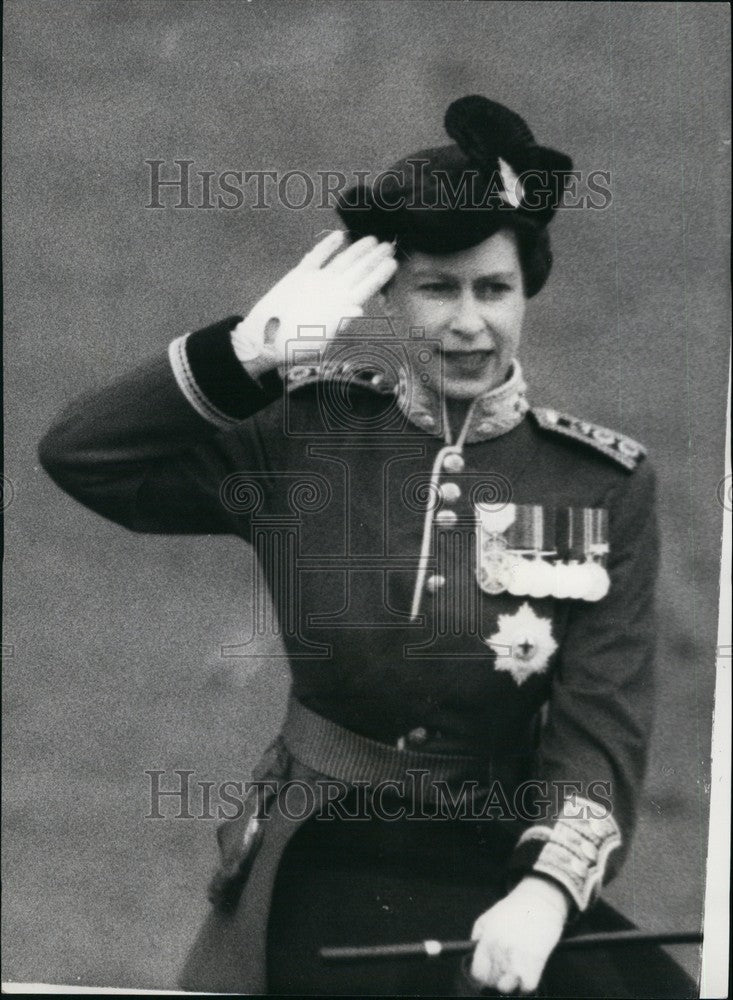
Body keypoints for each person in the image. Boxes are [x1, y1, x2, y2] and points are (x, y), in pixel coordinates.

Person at [38, 96, 698, 997]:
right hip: (321, 853)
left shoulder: (600, 484)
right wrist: (247, 352)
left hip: (495, 860)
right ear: (389, 294)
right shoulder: (306, 431)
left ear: (524, 293)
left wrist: (545, 893)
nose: (468, 323)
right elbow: (84, 457)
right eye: (436, 288)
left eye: (492, 289)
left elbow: (599, 729)